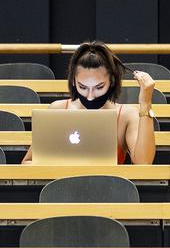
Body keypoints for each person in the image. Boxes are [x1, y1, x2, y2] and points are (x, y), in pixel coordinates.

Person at [23, 41, 156, 164]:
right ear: (74, 81)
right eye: (83, 87)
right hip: (62, 188)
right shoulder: (57, 109)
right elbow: (27, 163)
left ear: (112, 81)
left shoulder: (126, 115)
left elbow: (143, 163)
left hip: (108, 188)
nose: (90, 97)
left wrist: (145, 103)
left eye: (99, 87)